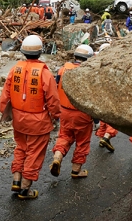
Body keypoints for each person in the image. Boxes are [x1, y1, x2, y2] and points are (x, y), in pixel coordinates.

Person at [0, 35, 60, 200]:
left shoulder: (15, 69)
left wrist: (4, 112)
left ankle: (17, 180)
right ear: (40, 52)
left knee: (21, 148)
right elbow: (53, 100)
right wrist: (56, 116)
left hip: (19, 120)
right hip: (38, 122)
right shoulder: (45, 73)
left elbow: (5, 94)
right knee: (34, 152)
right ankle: (25, 188)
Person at [50, 45, 95, 179]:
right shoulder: (90, 73)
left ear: (75, 56)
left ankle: (57, 157)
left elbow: (56, 88)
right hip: (83, 113)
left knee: (64, 136)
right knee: (82, 141)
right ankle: (76, 170)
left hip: (64, 111)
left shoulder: (62, 70)